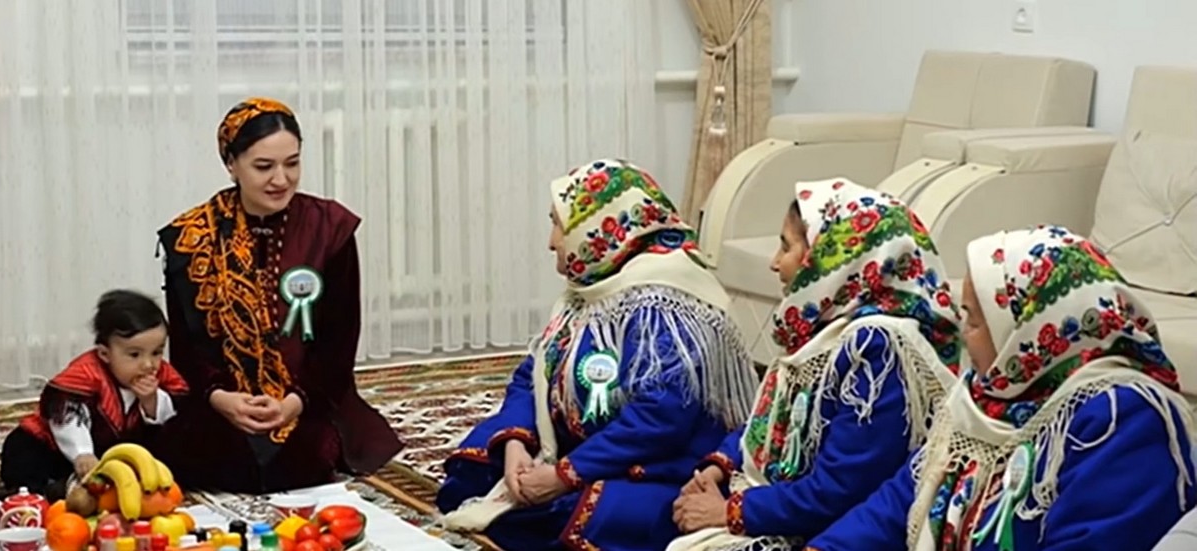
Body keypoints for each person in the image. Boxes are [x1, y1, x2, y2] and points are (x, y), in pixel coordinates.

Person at [805, 225, 1197, 551]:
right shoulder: (990, 397)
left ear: (1026, 331)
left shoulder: (1121, 419)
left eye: (974, 321)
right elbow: (899, 501)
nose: (963, 334)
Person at [435, 158, 759, 551]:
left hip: (656, 461)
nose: (551, 241)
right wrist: (516, 447)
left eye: (558, 225)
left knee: (587, 520)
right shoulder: (593, 285)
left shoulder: (665, 303)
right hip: (582, 444)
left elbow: (661, 417)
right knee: (471, 473)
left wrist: (565, 475)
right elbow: (533, 373)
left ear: (597, 230)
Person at [667, 178, 963, 551]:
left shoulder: (877, 348)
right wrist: (719, 467)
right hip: (785, 506)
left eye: (787, 247)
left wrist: (729, 511)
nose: (775, 263)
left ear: (830, 259)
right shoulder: (825, 325)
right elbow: (772, 420)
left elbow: (842, 488)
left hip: (830, 533)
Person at [154, 97, 401, 493]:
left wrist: (292, 403)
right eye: (264, 166)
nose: (281, 179)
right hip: (221, 402)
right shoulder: (190, 238)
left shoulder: (329, 228)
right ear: (231, 164)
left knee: (300, 462)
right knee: (203, 458)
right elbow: (186, 349)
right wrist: (221, 399)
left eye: (292, 163)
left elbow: (338, 342)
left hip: (308, 401)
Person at [0, 290, 188, 500]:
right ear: (104, 354)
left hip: (110, 446)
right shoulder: (86, 374)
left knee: (163, 454)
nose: (148, 364)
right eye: (134, 355)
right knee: (22, 452)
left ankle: (93, 487)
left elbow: (173, 410)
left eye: (156, 352)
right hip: (55, 445)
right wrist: (81, 453)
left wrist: (150, 401)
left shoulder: (160, 373)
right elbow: (68, 416)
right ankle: (50, 488)